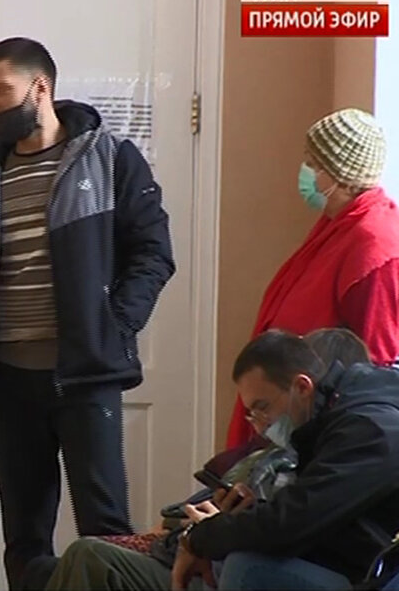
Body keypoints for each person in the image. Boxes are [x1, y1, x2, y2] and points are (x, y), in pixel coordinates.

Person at [0, 36, 175, 588]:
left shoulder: (111, 158)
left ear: (40, 87)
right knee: (24, 536)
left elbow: (153, 253)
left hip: (85, 373)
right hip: (7, 378)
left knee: (105, 530)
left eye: (0, 91)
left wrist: (115, 325)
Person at [43, 329, 399, 591]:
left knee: (244, 566)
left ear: (303, 386)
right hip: (296, 557)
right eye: (252, 414)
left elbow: (291, 522)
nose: (261, 425)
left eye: (263, 407)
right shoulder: (332, 418)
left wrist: (201, 538)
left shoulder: (370, 428)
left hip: (348, 575)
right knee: (90, 554)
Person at [226, 108, 399, 449]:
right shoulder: (337, 224)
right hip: (289, 410)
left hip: (320, 426)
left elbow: (376, 360)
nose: (305, 172)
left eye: (313, 164)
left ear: (339, 174)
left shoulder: (374, 244)